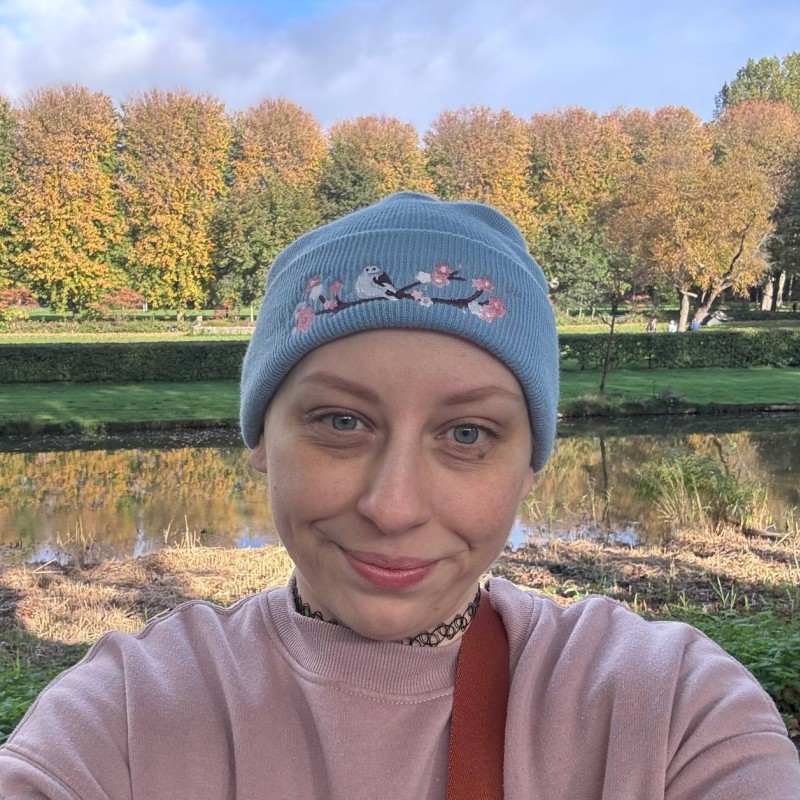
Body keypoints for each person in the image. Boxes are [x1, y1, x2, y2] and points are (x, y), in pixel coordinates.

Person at [1, 193, 798, 799]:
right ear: (259, 442)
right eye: (341, 421)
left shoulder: (668, 709)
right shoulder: (131, 713)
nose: (393, 506)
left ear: (531, 466)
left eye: (467, 435)